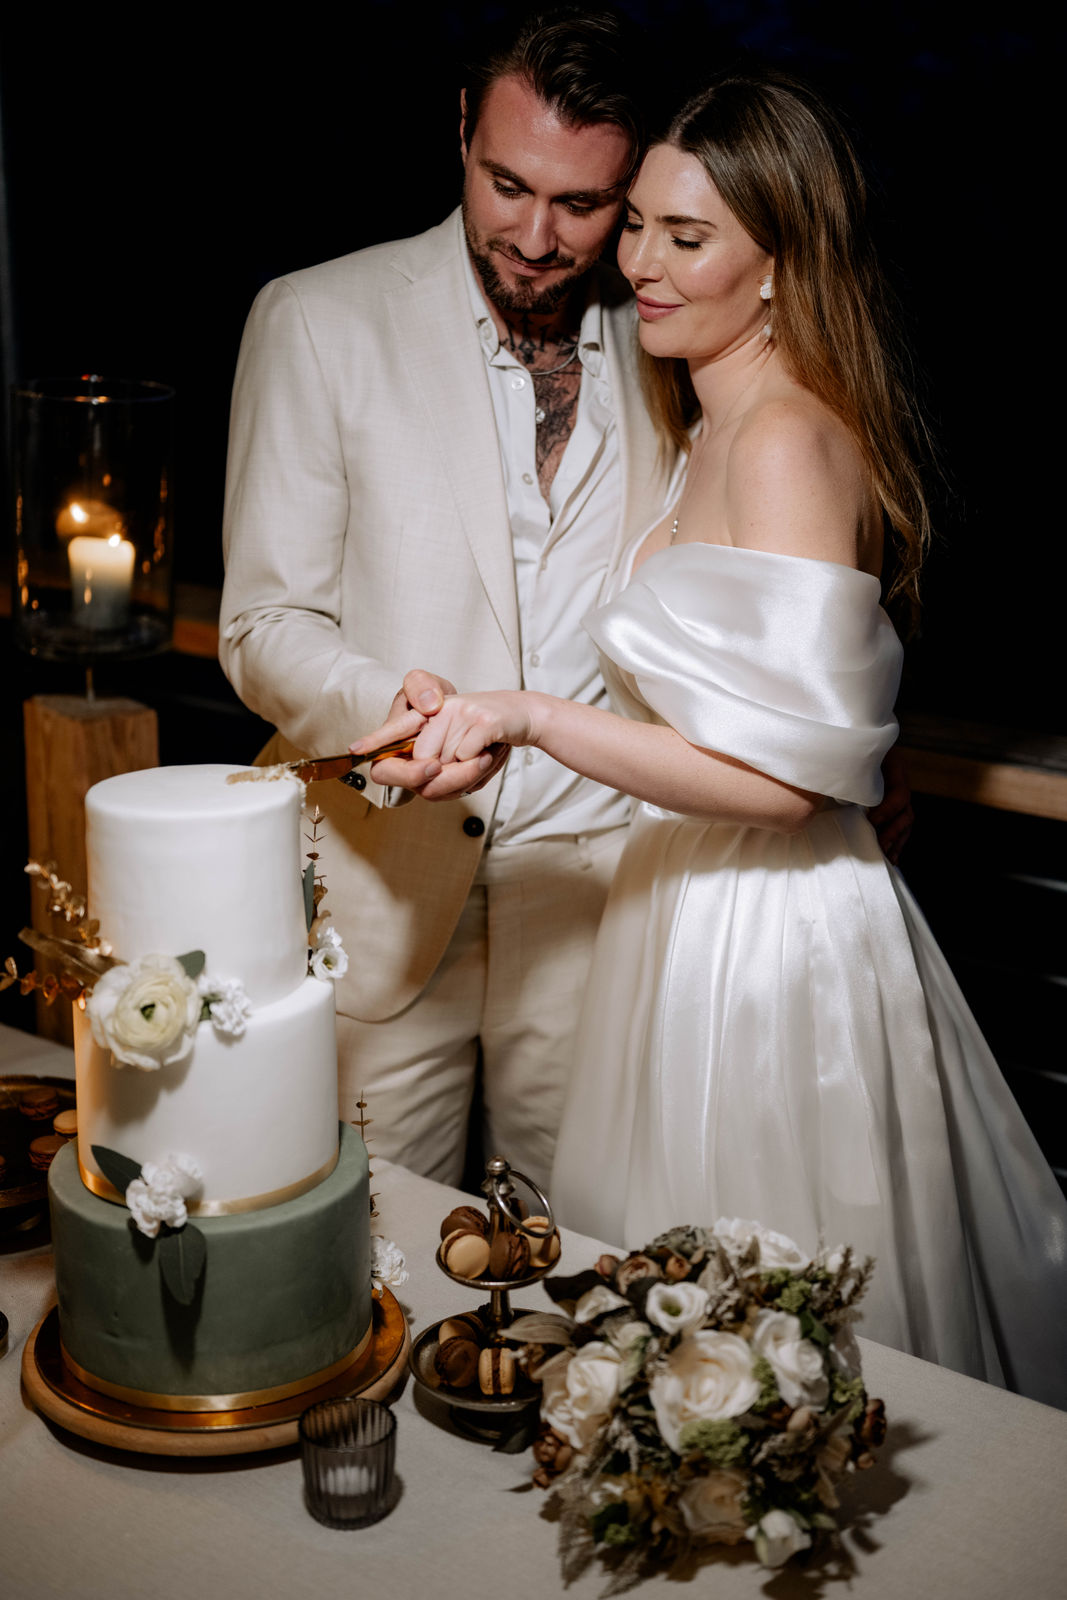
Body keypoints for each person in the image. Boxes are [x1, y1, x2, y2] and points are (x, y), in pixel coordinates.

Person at [352, 69, 1067, 1407]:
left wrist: (528, 716)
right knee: (677, 1308)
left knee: (783, 1309)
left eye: (689, 239)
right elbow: (780, 701)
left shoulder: (783, 437)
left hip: (766, 939)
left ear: (784, 266)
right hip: (680, 899)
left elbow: (785, 786)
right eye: (639, 226)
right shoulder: (709, 416)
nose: (640, 266)